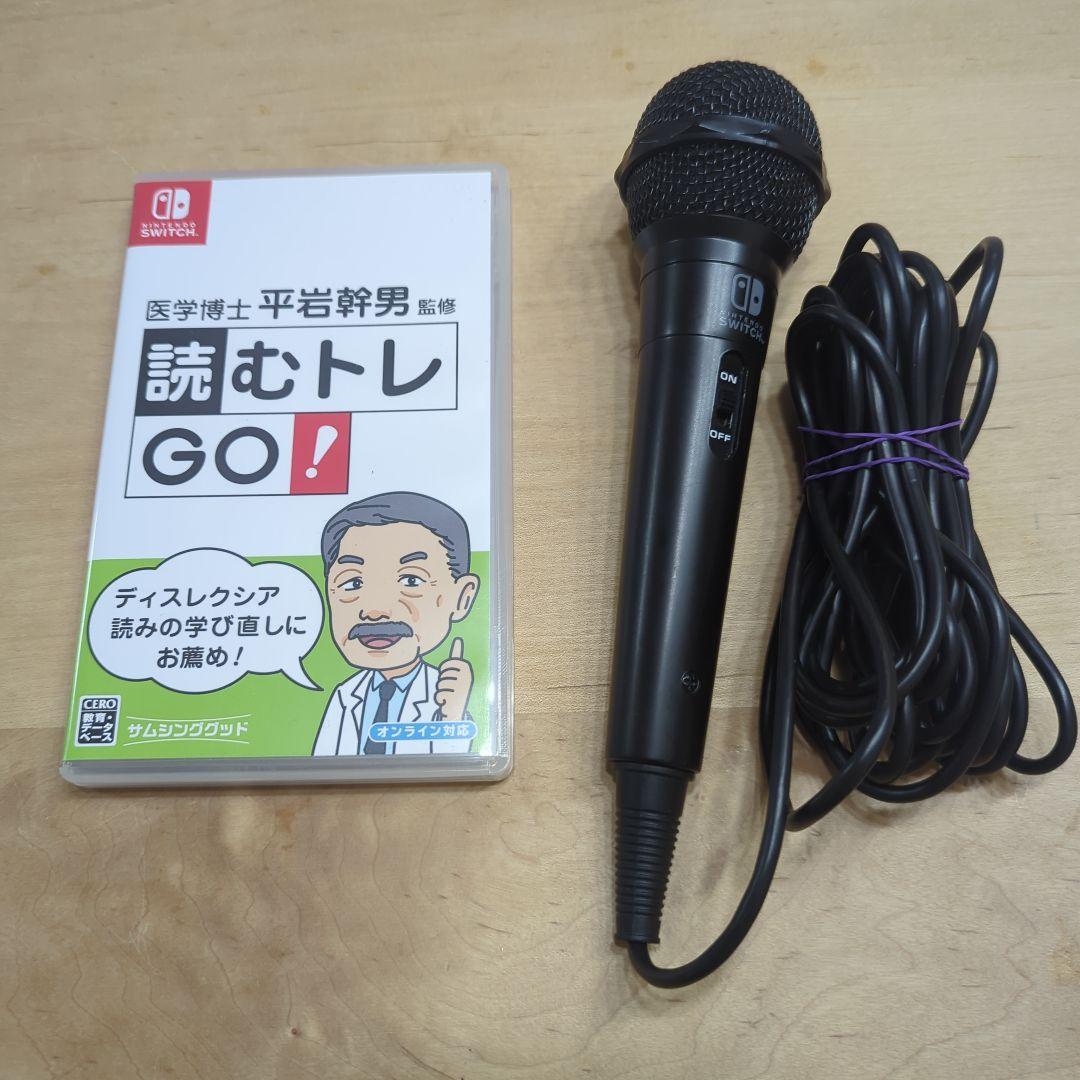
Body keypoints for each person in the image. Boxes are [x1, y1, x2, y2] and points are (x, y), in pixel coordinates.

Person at [312, 492, 480, 756]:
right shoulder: (345, 695)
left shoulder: (446, 694)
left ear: (462, 597)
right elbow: (323, 761)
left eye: (411, 580)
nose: (375, 611)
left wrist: (453, 718)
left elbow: (454, 765)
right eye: (353, 583)